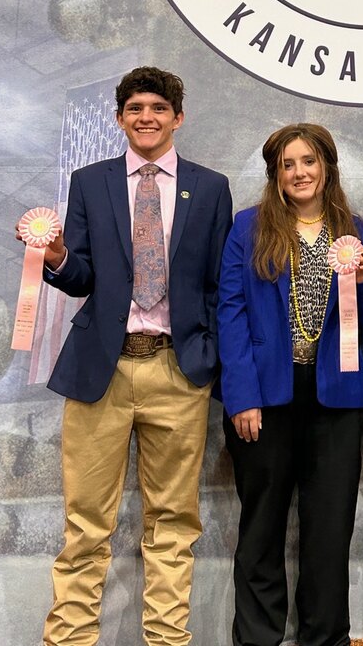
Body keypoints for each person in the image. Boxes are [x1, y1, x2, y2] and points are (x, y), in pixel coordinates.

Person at [34, 66, 233, 646]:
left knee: (173, 524)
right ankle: (68, 640)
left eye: (158, 108)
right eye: (135, 107)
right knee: (85, 524)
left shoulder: (211, 186)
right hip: (103, 369)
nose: (146, 117)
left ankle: (168, 641)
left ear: (178, 117)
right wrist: (54, 257)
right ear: (120, 117)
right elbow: (82, 277)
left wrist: (209, 354)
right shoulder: (90, 181)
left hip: (179, 370)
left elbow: (222, 282)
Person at [217, 123, 363, 646]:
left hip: (336, 398)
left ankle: (325, 637)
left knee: (329, 531)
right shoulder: (248, 228)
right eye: (288, 164)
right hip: (265, 399)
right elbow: (231, 314)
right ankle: (259, 637)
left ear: (327, 167)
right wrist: (241, 396)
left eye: (308, 161)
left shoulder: (358, 233)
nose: (299, 172)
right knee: (261, 528)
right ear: (276, 175)